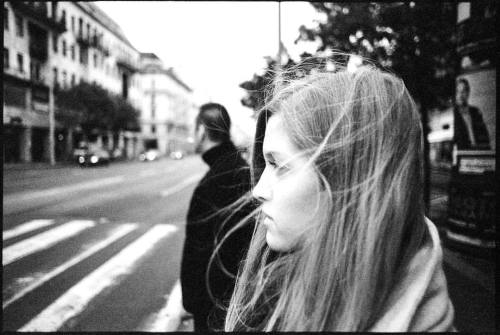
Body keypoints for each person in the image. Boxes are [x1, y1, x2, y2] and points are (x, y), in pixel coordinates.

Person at [224, 62, 456, 331]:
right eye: (264, 165)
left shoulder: (281, 304)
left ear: (347, 179)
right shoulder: (281, 289)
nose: (258, 191)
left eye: (280, 166)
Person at [180, 102, 254, 332]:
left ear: (201, 131)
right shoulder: (240, 169)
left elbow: (198, 256)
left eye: (195, 130)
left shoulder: (212, 183)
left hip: (214, 311)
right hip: (238, 303)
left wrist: (192, 305)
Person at [453, 78, 490, 150]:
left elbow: (484, 137)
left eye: (463, 91)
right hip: (463, 155)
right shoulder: (453, 114)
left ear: (468, 93)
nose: (460, 95)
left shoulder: (475, 112)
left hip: (478, 153)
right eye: (458, 91)